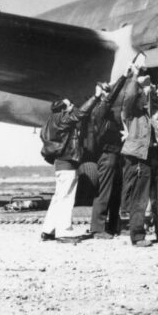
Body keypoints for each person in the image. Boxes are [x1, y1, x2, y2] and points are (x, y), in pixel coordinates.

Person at [121, 65, 158, 247]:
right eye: (144, 87)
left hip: (157, 154)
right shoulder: (131, 111)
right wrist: (135, 76)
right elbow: (129, 95)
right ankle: (137, 236)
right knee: (140, 198)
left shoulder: (156, 109)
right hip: (140, 156)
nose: (148, 89)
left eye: (150, 86)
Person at [40, 84, 103, 244]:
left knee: (58, 197)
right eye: (70, 105)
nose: (73, 107)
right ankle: (63, 232)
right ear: (64, 108)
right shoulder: (63, 119)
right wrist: (96, 97)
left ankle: (48, 230)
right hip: (68, 163)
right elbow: (81, 114)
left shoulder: (50, 121)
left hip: (59, 163)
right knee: (67, 198)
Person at [89, 73, 128, 239]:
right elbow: (110, 97)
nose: (109, 93)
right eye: (106, 91)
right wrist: (124, 76)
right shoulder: (98, 110)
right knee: (104, 191)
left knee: (116, 192)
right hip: (107, 155)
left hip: (115, 154)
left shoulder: (107, 113)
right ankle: (98, 228)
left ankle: (113, 225)